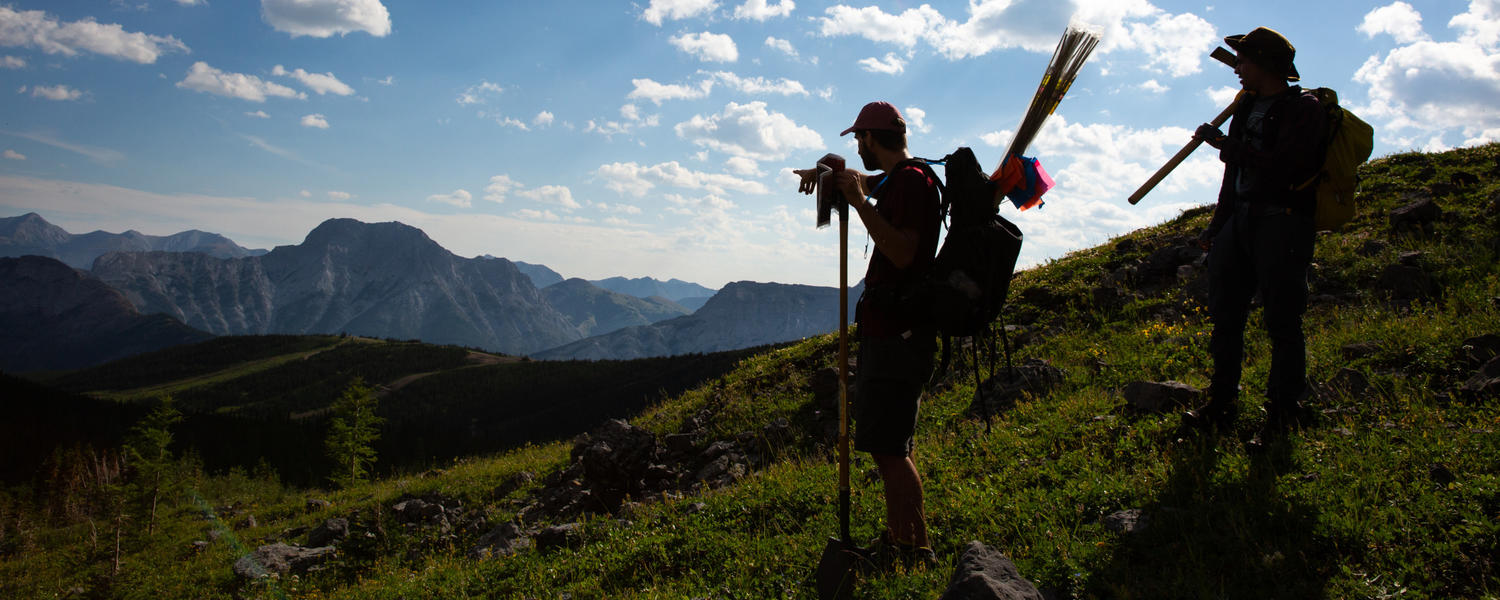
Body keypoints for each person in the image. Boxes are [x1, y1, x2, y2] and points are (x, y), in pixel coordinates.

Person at [796, 101, 942, 564]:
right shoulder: (900, 180)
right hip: (893, 334)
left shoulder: (913, 184)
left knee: (889, 449)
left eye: (859, 139)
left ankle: (915, 551)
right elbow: (862, 181)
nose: (857, 148)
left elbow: (902, 252)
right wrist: (823, 175)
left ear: (873, 138)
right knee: (890, 447)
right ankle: (902, 540)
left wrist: (859, 204)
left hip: (898, 336)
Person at [1184, 27, 1325, 449]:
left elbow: (1287, 169)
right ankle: (1221, 404)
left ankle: (1282, 416)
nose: (1237, 70)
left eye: (1243, 61)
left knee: (1282, 322)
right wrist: (1217, 225)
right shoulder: (1247, 108)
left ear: (1264, 63)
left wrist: (1226, 145)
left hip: (1282, 222)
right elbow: (1236, 175)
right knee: (1226, 317)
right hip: (1241, 221)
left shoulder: (1305, 109)